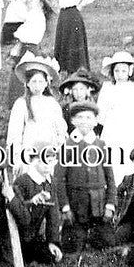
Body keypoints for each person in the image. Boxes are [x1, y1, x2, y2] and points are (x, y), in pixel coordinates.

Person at [54, 101, 117, 252]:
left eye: (89, 118)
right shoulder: (67, 146)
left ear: (95, 121)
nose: (84, 122)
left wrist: (110, 204)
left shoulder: (101, 145)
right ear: (72, 121)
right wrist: (65, 207)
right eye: (80, 118)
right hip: (76, 205)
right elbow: (59, 180)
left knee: (107, 244)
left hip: (98, 204)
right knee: (72, 247)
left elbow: (110, 178)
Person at [97, 51, 134, 183]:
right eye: (117, 71)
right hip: (112, 129)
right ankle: (114, 186)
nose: (120, 74)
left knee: (132, 156)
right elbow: (101, 111)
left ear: (130, 71)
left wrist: (133, 123)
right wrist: (110, 122)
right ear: (112, 72)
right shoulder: (107, 88)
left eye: (123, 70)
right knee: (114, 157)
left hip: (133, 128)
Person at [12, 143, 64, 266]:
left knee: (51, 257)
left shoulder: (51, 183)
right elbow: (15, 210)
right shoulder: (22, 182)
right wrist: (31, 202)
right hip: (15, 237)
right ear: (33, 162)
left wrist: (53, 242)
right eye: (43, 162)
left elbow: (53, 215)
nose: (47, 166)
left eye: (51, 161)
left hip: (33, 238)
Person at [6, 55, 68, 156]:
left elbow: (60, 129)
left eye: (40, 82)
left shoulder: (52, 103)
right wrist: (17, 155)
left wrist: (60, 146)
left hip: (49, 151)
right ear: (27, 84)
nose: (37, 86)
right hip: (29, 151)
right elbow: (15, 133)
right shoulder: (21, 104)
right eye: (34, 82)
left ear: (46, 84)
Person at [48, 0, 98, 75]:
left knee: (75, 41)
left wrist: (81, 4)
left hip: (74, 13)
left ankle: (77, 67)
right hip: (63, 14)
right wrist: (55, 5)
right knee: (63, 40)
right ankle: (63, 67)